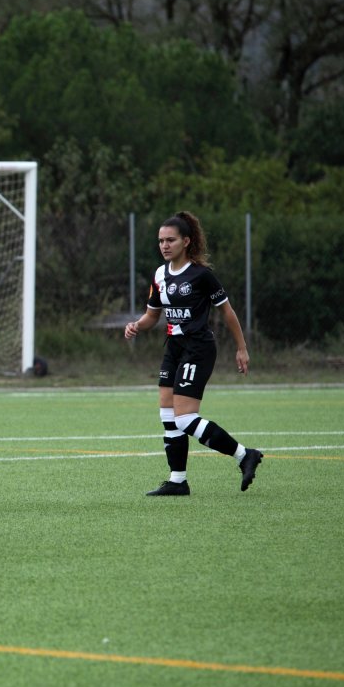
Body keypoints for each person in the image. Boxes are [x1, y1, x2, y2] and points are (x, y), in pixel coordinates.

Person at [124, 211, 263, 496]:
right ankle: (177, 480)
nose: (164, 245)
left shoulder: (201, 275)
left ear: (186, 241)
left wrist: (241, 348)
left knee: (185, 419)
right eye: (161, 240)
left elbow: (227, 311)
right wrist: (137, 325)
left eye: (170, 240)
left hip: (198, 348)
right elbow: (153, 315)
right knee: (167, 415)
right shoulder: (160, 275)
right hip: (173, 348)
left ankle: (244, 455)